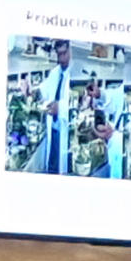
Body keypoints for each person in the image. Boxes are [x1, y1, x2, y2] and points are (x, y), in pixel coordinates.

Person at [39, 39, 72, 174]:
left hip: (66, 131)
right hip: (53, 130)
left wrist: (61, 108)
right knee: (52, 167)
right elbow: (44, 90)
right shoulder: (54, 73)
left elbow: (77, 104)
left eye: (64, 53)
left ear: (70, 51)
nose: (61, 59)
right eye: (59, 55)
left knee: (64, 169)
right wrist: (32, 91)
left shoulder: (74, 74)